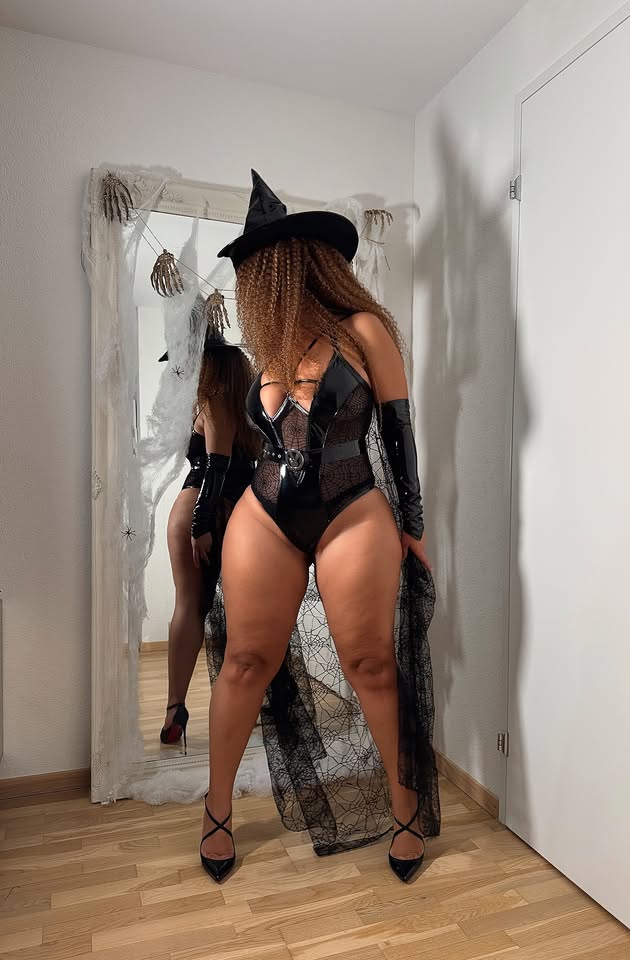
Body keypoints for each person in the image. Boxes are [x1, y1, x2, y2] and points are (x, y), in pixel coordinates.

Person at [199, 170, 439, 883]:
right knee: (246, 661)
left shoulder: (364, 331)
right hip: (264, 513)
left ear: (287, 265)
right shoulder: (266, 352)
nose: (249, 286)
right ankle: (216, 811)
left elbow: (398, 432)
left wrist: (414, 523)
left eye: (255, 272)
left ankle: (405, 810)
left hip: (351, 507)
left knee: (370, 664)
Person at [160, 319, 258, 752]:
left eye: (188, 360)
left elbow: (216, 465)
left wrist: (201, 525)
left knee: (189, 606)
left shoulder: (213, 398)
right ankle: (248, 705)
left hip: (203, 507)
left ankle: (175, 709)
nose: (185, 369)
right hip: (238, 509)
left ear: (207, 361)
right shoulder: (245, 401)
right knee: (242, 613)